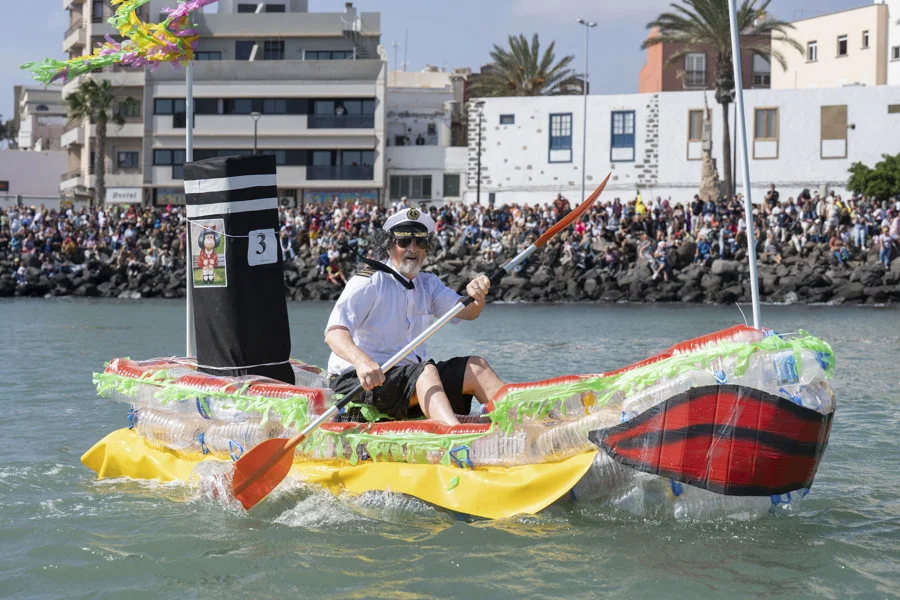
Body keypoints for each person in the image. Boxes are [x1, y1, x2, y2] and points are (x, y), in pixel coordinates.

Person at [324, 207, 504, 425]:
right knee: (425, 371)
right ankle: (456, 438)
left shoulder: (428, 283)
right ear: (389, 246)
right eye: (404, 242)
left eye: (420, 242)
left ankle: (525, 424)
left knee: (476, 367)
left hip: (410, 378)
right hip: (359, 380)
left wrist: (477, 295)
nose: (413, 248)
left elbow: (467, 311)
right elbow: (334, 333)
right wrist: (361, 362)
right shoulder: (369, 281)